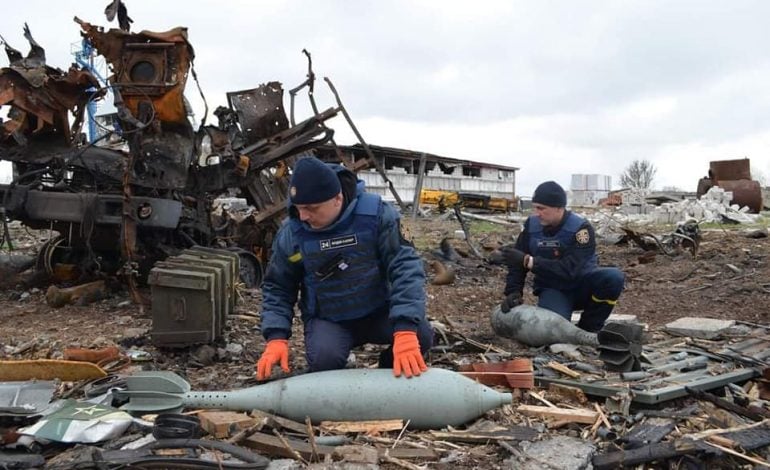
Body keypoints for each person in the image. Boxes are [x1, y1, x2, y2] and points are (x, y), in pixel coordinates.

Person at [256, 156, 433, 380]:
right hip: (331, 319)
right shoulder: (292, 234)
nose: (303, 216)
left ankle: (390, 372)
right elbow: (278, 286)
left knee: (421, 336)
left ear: (337, 198)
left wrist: (406, 328)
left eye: (311, 208)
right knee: (324, 360)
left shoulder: (376, 215)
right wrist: (276, 337)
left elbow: (405, 267)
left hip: (379, 310)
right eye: (299, 208)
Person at [494, 181, 624, 332]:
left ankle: (589, 328)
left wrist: (530, 261)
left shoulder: (580, 229)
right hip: (553, 289)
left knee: (613, 277)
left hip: (583, 286)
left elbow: (571, 270)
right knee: (550, 330)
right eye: (535, 208)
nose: (536, 213)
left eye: (541, 208)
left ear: (559, 208)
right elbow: (517, 262)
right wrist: (513, 292)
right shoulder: (532, 226)